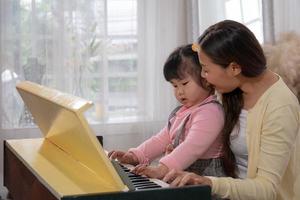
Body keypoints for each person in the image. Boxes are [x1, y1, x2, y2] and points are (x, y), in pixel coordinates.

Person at [163, 20, 300, 200]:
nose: (203, 77)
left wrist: (210, 183)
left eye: (205, 70)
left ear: (234, 68)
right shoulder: (227, 92)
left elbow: (267, 189)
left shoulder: (280, 106)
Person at [109, 44, 227, 180]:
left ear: (205, 79)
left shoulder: (211, 112)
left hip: (207, 183)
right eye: (174, 85)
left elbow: (192, 148)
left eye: (184, 83)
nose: (179, 91)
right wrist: (135, 156)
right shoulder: (182, 112)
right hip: (183, 177)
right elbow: (160, 140)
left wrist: (163, 169)